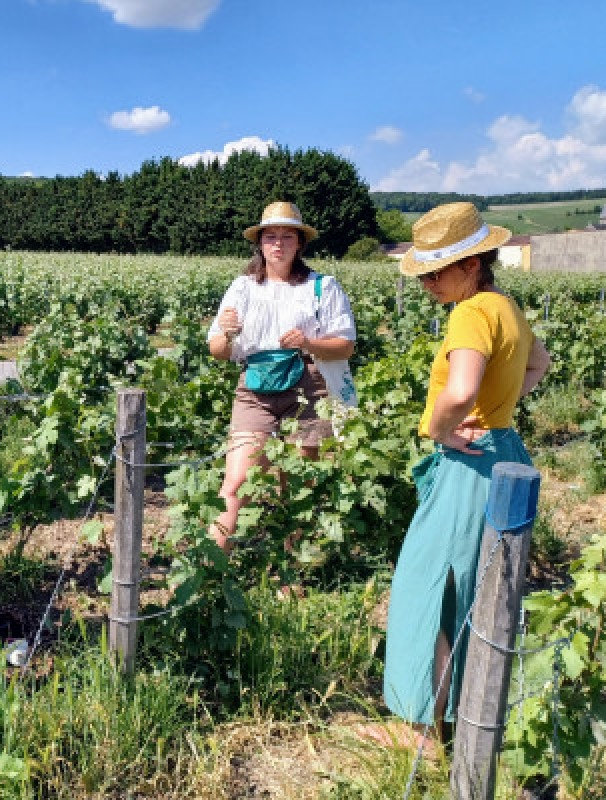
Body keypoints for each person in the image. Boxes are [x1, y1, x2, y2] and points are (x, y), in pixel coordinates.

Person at [377, 202, 551, 749]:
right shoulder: (508, 306)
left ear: (472, 264)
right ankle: (465, 717)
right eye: (423, 271)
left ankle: (421, 732)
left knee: (431, 586)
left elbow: (460, 390)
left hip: (469, 463)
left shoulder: (471, 312)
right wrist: (500, 414)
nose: (428, 281)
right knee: (481, 585)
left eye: (436, 270)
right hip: (504, 451)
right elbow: (539, 366)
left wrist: (439, 427)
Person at [206, 201, 357, 552]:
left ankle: (294, 572)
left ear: (299, 243)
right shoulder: (242, 288)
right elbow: (217, 349)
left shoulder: (322, 287)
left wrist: (309, 342)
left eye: (286, 237)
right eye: (270, 236)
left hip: (309, 387)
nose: (278, 244)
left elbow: (345, 346)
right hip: (255, 386)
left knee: (300, 486)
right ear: (259, 243)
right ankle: (209, 569)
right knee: (236, 481)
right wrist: (226, 335)